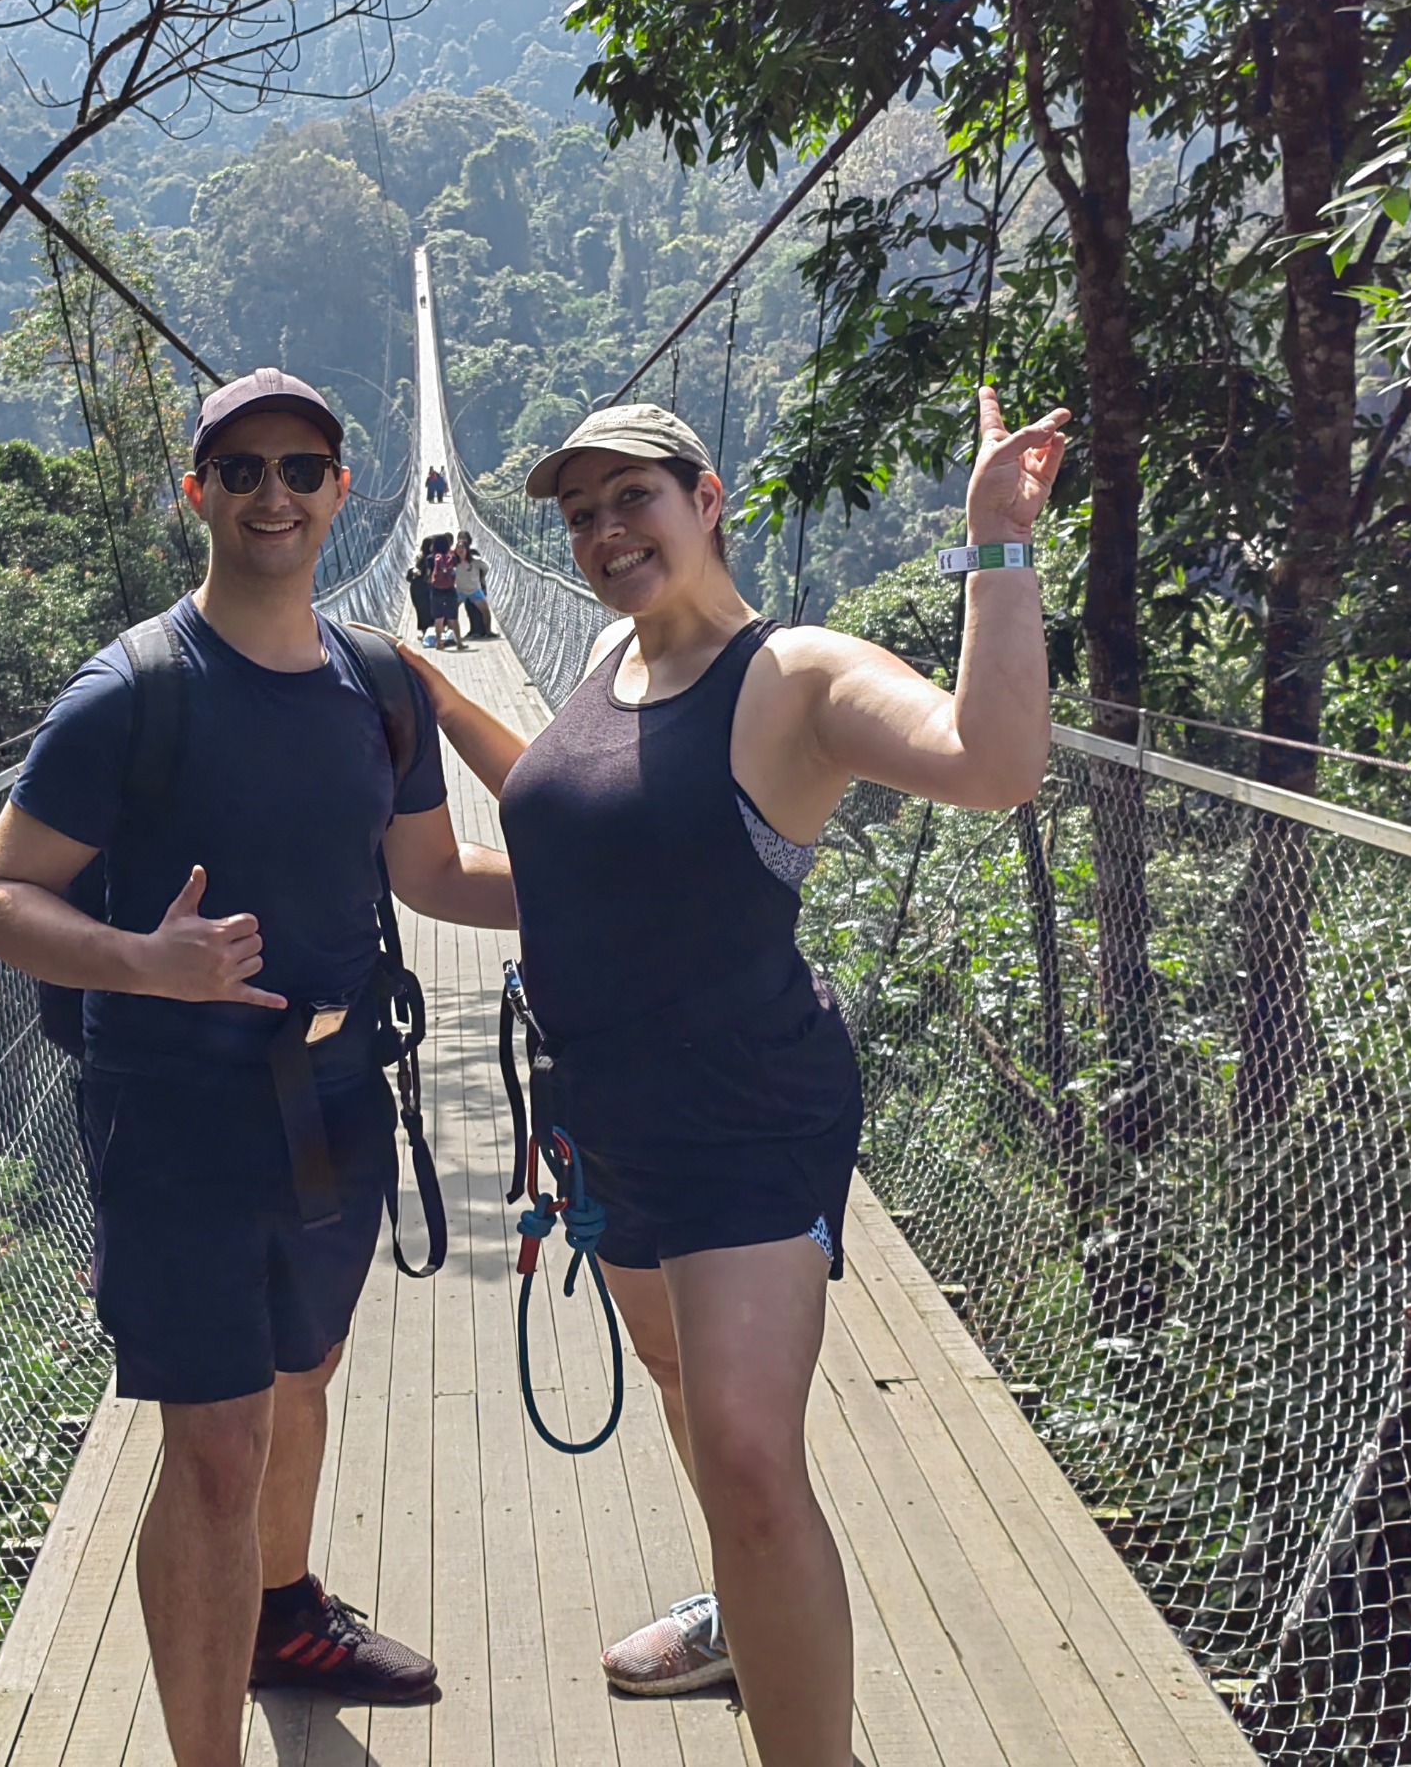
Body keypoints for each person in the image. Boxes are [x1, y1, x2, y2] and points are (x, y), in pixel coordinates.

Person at [395, 391, 1065, 1767]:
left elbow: (993, 765)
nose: (601, 530)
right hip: (607, 1113)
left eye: (631, 496)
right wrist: (438, 704)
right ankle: (737, 1614)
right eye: (579, 514)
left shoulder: (794, 677)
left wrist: (997, 545)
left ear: (708, 499)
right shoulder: (602, 657)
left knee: (754, 1456)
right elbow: (589, 842)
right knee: (686, 1388)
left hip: (749, 1109)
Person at [0, 368, 519, 1767]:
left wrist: (618, 885)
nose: (274, 491)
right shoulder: (130, 692)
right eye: (244, 468)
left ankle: (283, 1615)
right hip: (177, 1113)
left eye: (302, 467)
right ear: (195, 493)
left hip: (334, 1097)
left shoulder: (378, 682)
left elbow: (435, 874)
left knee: (303, 1371)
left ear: (344, 493)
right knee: (213, 1449)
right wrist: (147, 959)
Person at [423, 534, 461, 648]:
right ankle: (459, 643)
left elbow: (429, 574)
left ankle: (439, 643)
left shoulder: (430, 558)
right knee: (453, 617)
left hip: (436, 590)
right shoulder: (452, 558)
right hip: (450, 589)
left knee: (438, 618)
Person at [455, 534, 492, 641]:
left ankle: (488, 632)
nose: (460, 550)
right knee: (451, 612)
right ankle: (452, 634)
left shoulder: (475, 561)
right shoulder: (453, 562)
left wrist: (481, 578)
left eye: (462, 548)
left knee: (485, 611)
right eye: (458, 548)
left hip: (474, 590)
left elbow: (485, 568)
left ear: (467, 549)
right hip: (460, 591)